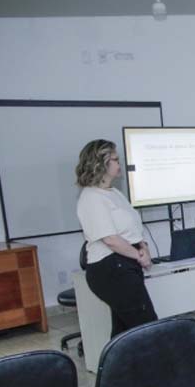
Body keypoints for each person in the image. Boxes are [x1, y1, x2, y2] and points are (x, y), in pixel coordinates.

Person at [75, 139, 157, 338]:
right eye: (115, 159)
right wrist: (139, 255)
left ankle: (119, 369)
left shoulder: (114, 193)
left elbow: (133, 228)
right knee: (147, 326)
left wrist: (143, 246)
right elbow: (110, 239)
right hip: (110, 268)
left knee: (124, 332)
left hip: (125, 265)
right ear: (100, 164)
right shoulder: (91, 197)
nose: (119, 164)